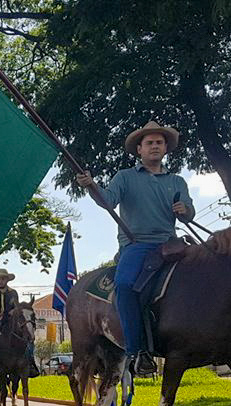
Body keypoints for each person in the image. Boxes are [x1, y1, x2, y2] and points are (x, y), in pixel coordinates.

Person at [76, 120, 195, 376]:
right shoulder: (125, 177)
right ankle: (136, 349)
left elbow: (189, 214)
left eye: (159, 142)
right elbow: (107, 201)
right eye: (149, 143)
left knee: (206, 270)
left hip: (170, 243)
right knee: (125, 285)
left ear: (166, 149)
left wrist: (185, 211)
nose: (155, 146)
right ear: (139, 150)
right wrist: (91, 186)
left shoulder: (177, 182)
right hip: (137, 245)